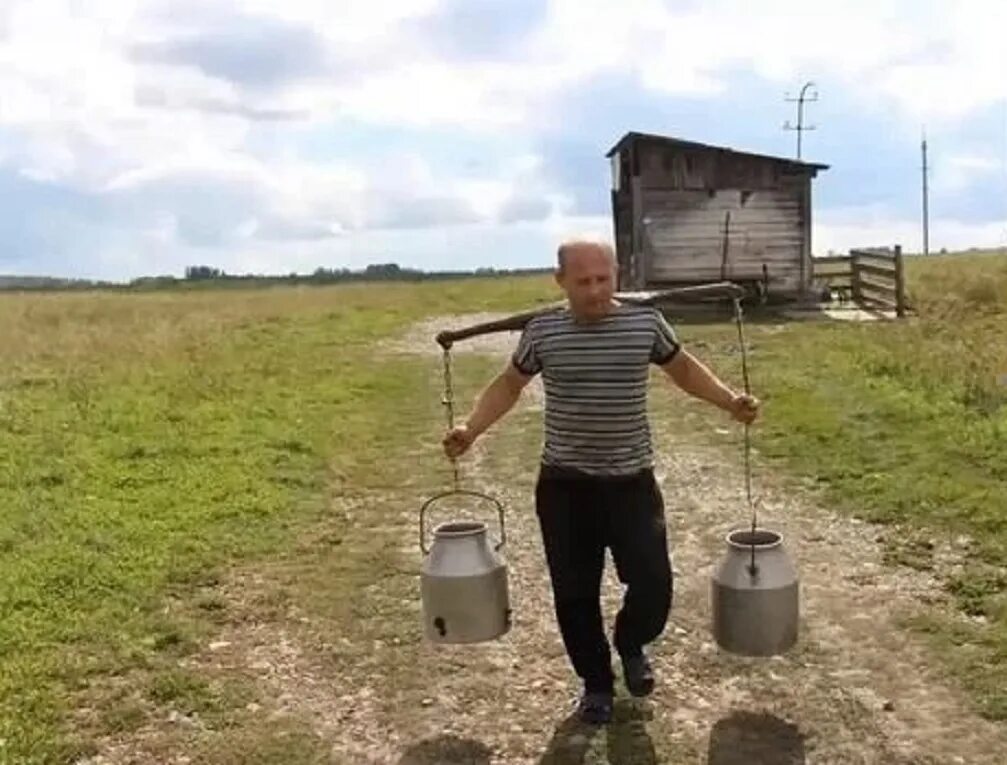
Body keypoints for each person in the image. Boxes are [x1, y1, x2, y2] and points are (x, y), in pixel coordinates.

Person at [441, 238, 760, 725]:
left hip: (631, 481)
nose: (594, 291)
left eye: (603, 279)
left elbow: (683, 369)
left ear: (616, 276)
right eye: (583, 281)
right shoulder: (543, 331)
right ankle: (595, 683)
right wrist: (470, 429)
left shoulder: (645, 323)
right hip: (565, 487)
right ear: (561, 281)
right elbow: (510, 384)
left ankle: (631, 642)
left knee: (653, 584)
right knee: (574, 594)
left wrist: (729, 401)